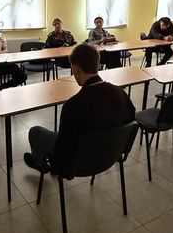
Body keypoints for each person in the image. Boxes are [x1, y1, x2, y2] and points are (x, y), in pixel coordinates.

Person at [24, 43, 135, 175]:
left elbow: (62, 149)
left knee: (36, 131)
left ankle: (41, 163)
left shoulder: (73, 105)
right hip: (110, 155)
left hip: (79, 164)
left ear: (76, 69)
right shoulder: (120, 93)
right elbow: (131, 119)